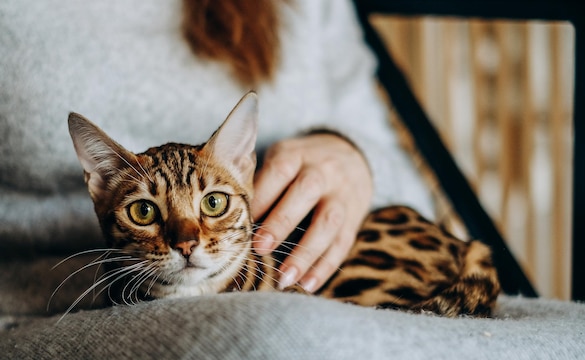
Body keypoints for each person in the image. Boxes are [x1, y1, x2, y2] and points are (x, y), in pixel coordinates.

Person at [0, 0, 432, 313]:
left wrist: (354, 158)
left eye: (212, 203)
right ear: (97, 183)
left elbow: (416, 193)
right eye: (145, 211)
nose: (185, 240)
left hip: (306, 287)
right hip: (48, 303)